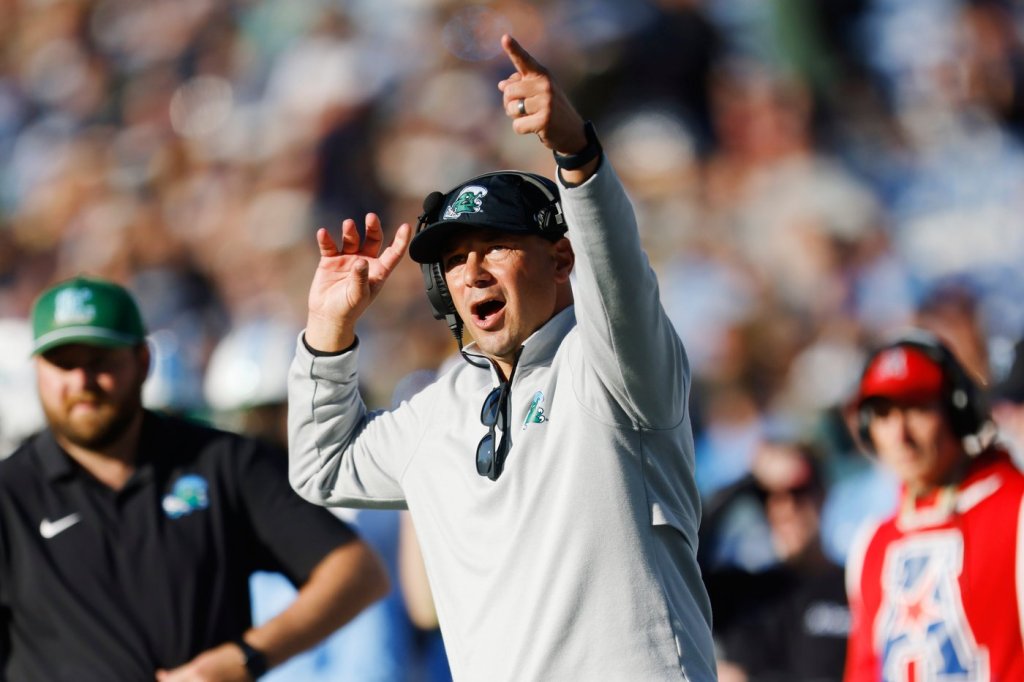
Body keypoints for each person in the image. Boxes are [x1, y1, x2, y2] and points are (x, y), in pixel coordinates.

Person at [287, 34, 716, 681]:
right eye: (455, 260)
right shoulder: (435, 413)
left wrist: (575, 154)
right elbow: (321, 468)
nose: (473, 272)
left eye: (495, 246)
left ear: (562, 259)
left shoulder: (612, 369)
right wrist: (328, 330)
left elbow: (620, 279)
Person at [0, 275, 389, 680]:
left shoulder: (221, 462)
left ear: (142, 361)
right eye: (63, 364)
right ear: (37, 371)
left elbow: (358, 572)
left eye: (100, 360)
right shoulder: (9, 494)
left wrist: (247, 657)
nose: (81, 382)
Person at [843, 331, 1024, 682]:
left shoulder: (1015, 514)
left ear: (959, 412)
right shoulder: (871, 543)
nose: (900, 436)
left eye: (917, 408)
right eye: (883, 414)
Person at [708, 440, 849, 682]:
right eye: (768, 497)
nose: (785, 509)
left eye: (798, 493)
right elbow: (682, 556)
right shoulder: (744, 593)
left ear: (823, 494)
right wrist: (748, 481)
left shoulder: (855, 587)